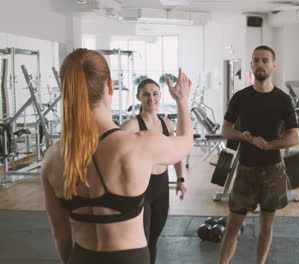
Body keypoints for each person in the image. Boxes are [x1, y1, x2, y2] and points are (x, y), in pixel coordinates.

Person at [41, 48, 192, 264]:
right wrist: (182, 101)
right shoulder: (138, 145)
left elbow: (61, 233)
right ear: (109, 86)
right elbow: (186, 142)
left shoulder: (52, 158)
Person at [218, 45, 299, 264]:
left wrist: (270, 145)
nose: (260, 64)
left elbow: (294, 137)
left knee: (266, 225)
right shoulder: (240, 97)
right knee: (233, 225)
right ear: (251, 65)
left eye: (265, 60)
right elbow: (225, 129)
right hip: (245, 170)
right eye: (256, 60)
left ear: (274, 65)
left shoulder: (283, 99)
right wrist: (242, 136)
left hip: (273, 170)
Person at [120, 78, 187, 264]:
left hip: (161, 186)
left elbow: (176, 153)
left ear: (160, 96)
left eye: (155, 94)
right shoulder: (131, 126)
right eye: (146, 94)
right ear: (138, 97)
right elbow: (113, 151)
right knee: (142, 237)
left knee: (154, 237)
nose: (151, 99)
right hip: (141, 188)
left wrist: (180, 179)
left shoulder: (167, 124)